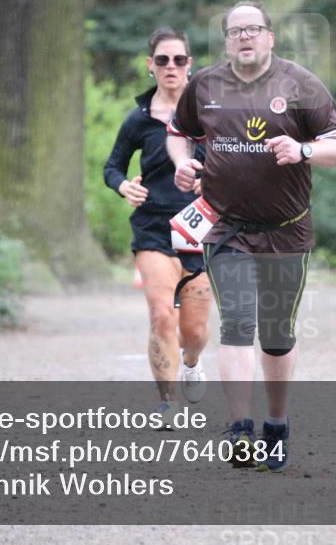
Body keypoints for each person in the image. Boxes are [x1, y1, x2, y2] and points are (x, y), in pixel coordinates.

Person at [166, 2, 336, 471]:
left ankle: (276, 422)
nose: (244, 37)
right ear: (226, 41)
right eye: (235, 31)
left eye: (253, 29)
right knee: (237, 323)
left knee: (275, 335)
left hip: (285, 233)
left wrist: (304, 148)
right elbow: (177, 132)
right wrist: (182, 164)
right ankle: (240, 428)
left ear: (270, 37)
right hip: (225, 229)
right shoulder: (205, 85)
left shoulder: (301, 85)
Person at [104, 27, 212, 421]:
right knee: (161, 314)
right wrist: (123, 188)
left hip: (200, 229)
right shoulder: (140, 119)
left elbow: (233, 161)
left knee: (195, 332)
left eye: (179, 59)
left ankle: (192, 362)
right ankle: (167, 403)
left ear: (189, 66)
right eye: (162, 59)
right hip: (153, 227)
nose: (171, 66)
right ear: (150, 66)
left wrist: (213, 181)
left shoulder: (207, 115)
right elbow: (112, 166)